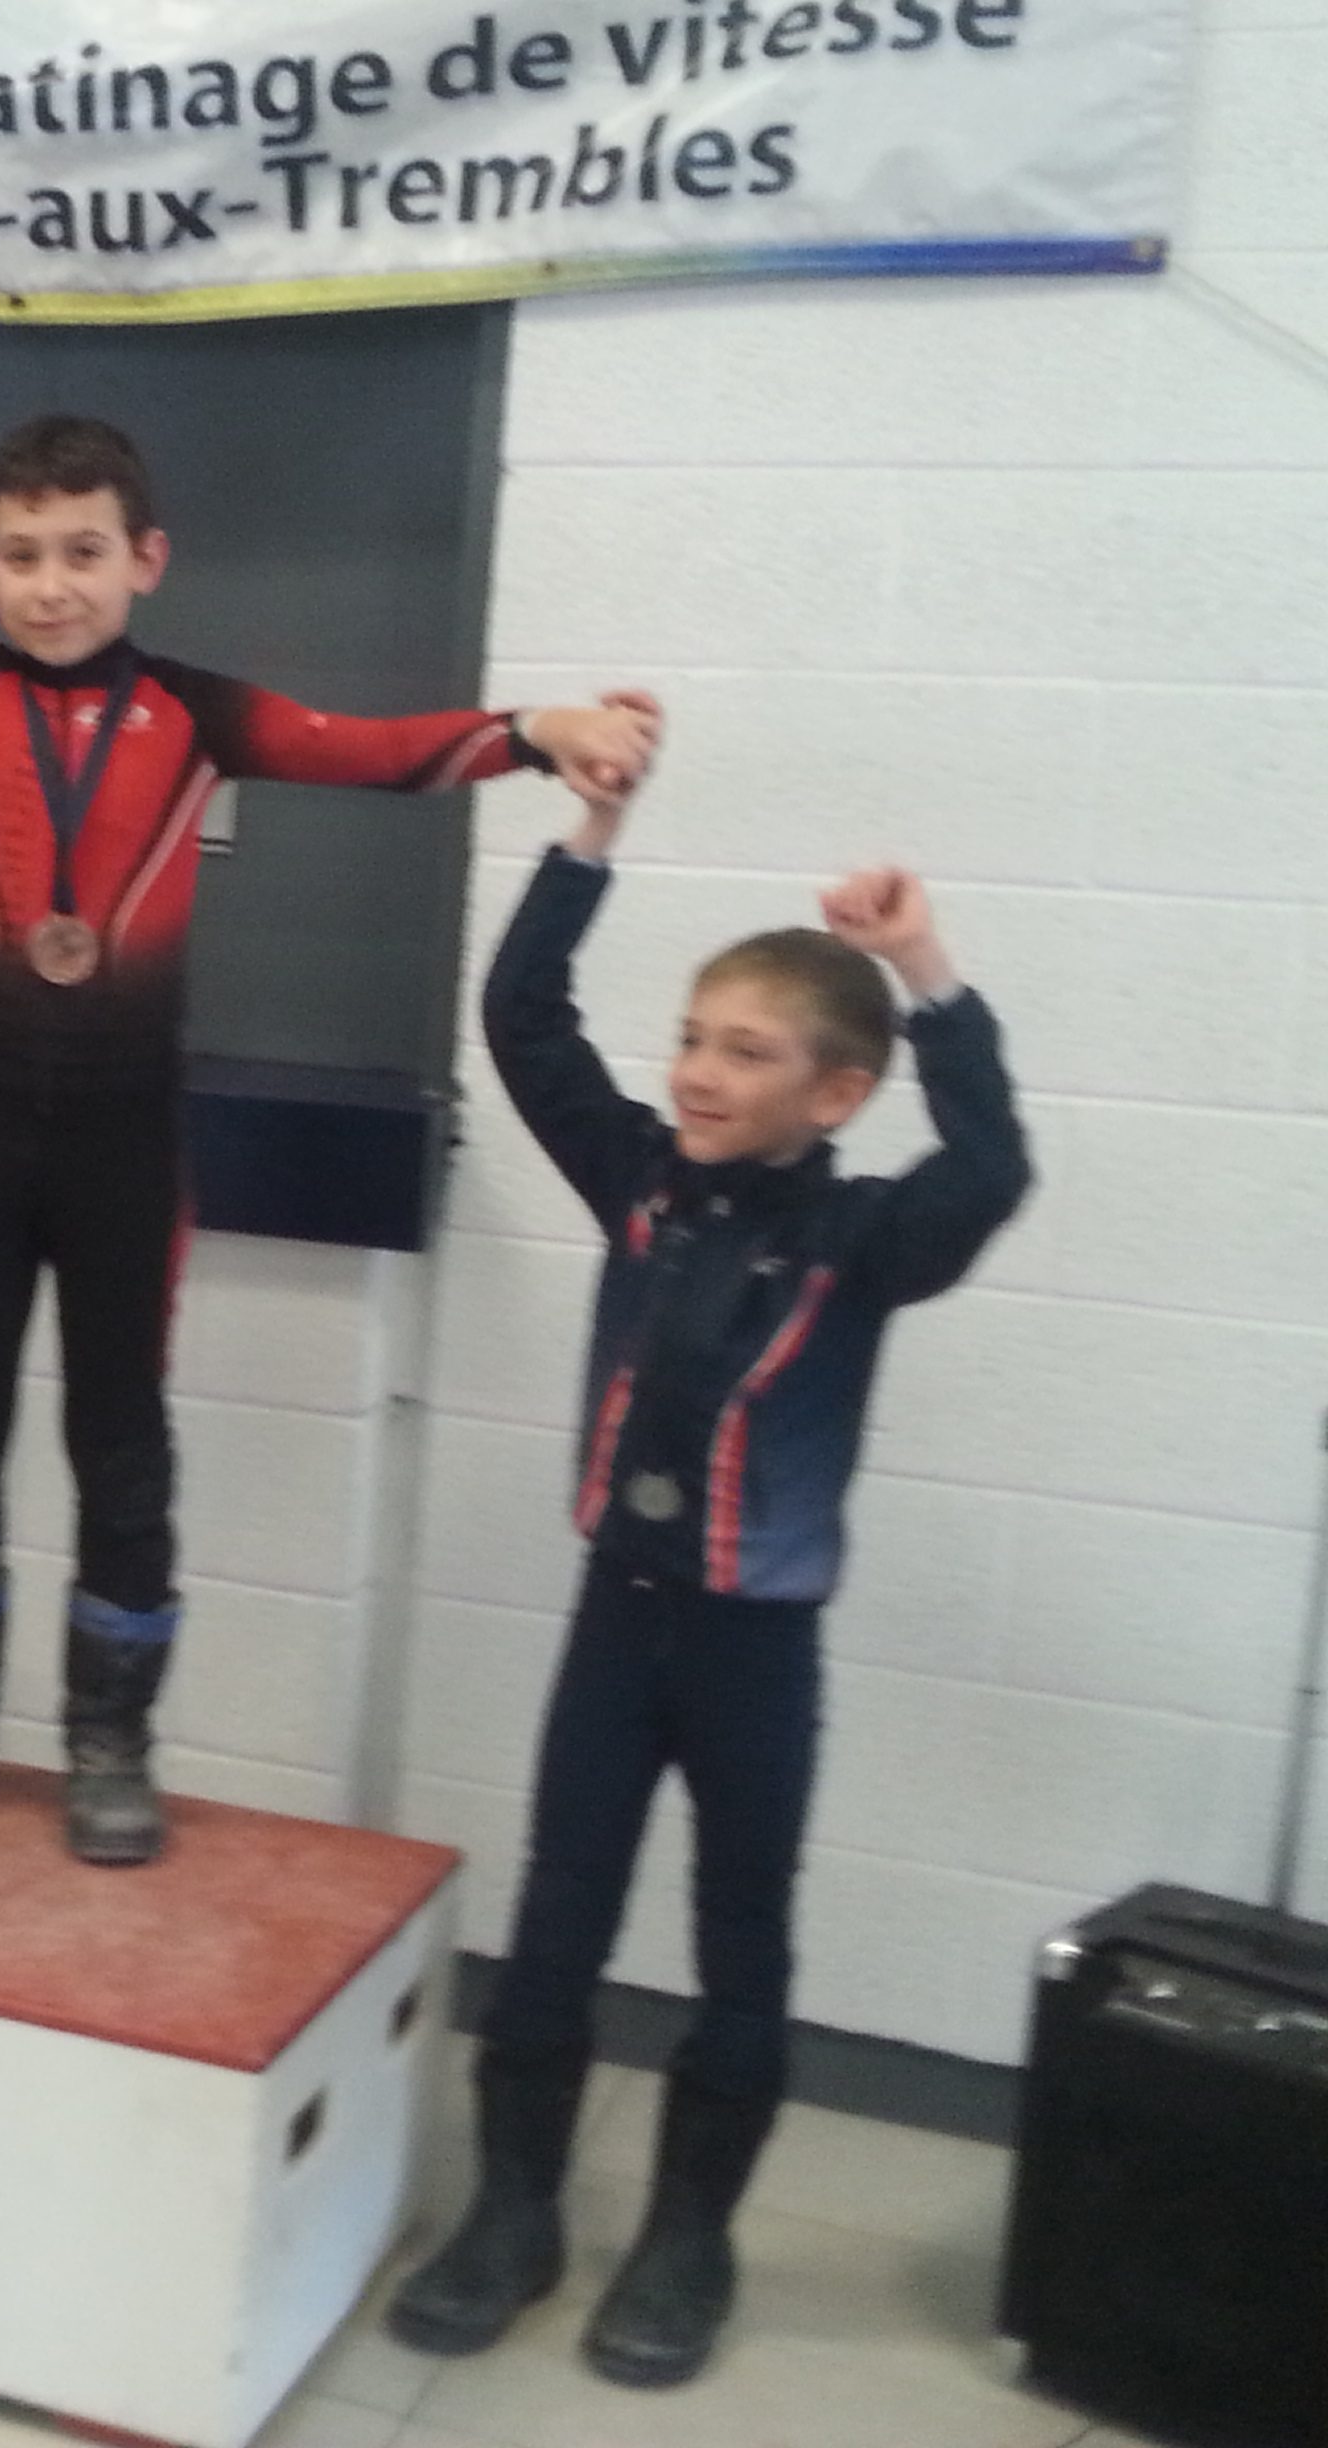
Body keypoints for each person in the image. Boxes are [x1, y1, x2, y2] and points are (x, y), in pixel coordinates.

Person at [0, 182, 662, 1865]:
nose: (49, 587)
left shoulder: (198, 715)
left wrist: (538, 730)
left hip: (126, 1145)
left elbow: (376, 751)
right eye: (20, 556)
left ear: (146, 558)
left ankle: (111, 1743)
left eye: (81, 553)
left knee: (122, 1440)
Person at [387, 794, 1030, 2386]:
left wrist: (928, 973)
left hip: (756, 1650)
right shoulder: (639, 1182)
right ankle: (516, 2214)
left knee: (745, 1942)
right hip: (617, 1623)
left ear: (837, 1093)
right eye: (691, 1038)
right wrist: (589, 839)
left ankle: (690, 2239)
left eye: (746, 1052)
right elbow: (522, 1020)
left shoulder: (867, 1239)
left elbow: (992, 1166)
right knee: (557, 1922)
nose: (696, 1072)